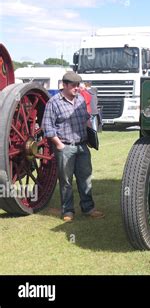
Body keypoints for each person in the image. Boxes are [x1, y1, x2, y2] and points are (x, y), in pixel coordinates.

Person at [41, 71, 104, 222]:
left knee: (85, 178)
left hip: (82, 147)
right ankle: (67, 211)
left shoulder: (80, 99)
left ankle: (88, 208)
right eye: (74, 86)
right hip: (65, 147)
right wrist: (60, 145)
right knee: (66, 181)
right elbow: (47, 127)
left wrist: (91, 136)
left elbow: (87, 119)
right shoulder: (54, 102)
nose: (77, 88)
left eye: (78, 85)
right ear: (64, 85)